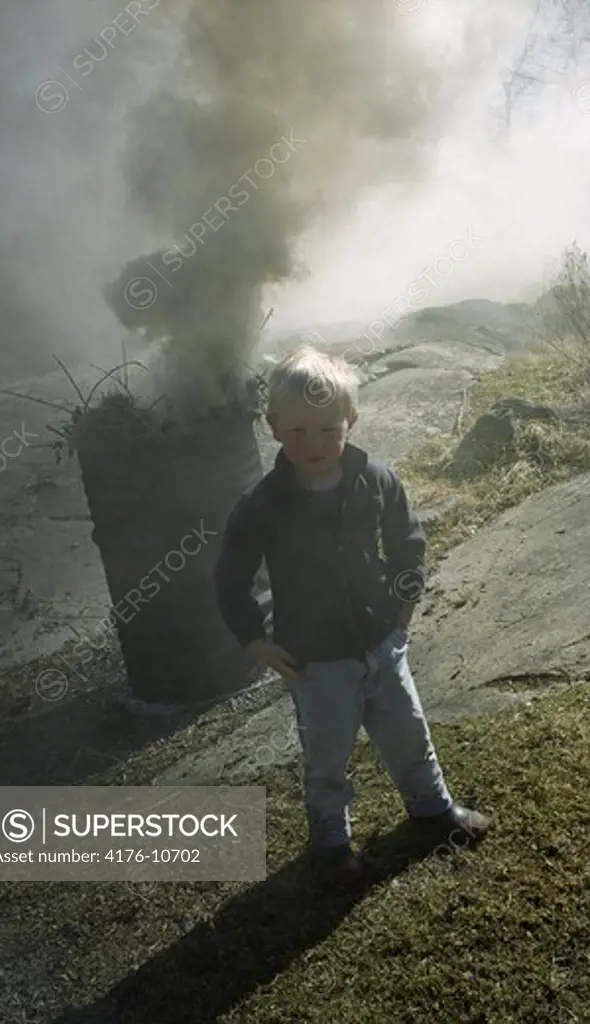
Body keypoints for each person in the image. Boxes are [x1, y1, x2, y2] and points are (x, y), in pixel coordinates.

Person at [214, 344, 489, 884]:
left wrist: (403, 608)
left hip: (381, 643)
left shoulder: (377, 481)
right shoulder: (262, 505)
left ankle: (433, 809)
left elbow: (409, 544)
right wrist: (254, 641)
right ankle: (330, 844)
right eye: (297, 431)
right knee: (327, 755)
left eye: (327, 429)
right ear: (272, 427)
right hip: (314, 661)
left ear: (351, 422)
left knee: (408, 732)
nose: (313, 444)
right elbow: (229, 578)